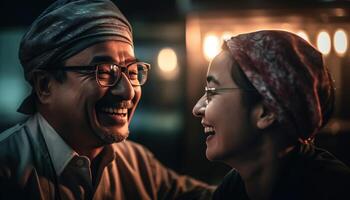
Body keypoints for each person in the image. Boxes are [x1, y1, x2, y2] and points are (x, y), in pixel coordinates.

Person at [0, 0, 215, 199]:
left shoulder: (136, 164)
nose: (128, 92)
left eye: (132, 72)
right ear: (44, 86)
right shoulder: (8, 168)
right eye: (104, 71)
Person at [192, 30, 350, 200]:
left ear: (267, 111)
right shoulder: (233, 188)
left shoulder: (335, 190)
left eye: (212, 91)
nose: (197, 108)